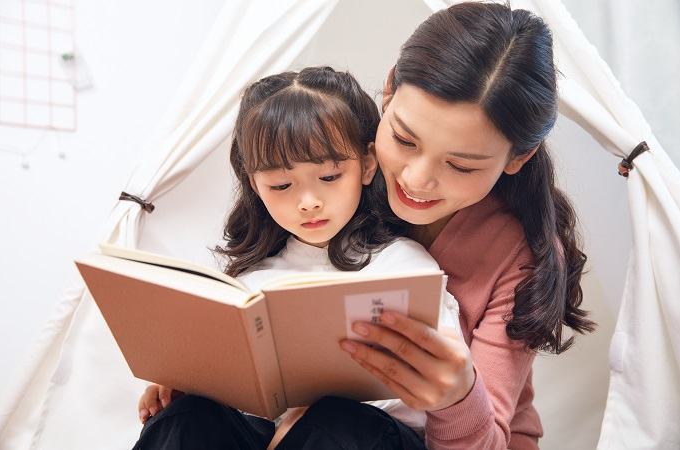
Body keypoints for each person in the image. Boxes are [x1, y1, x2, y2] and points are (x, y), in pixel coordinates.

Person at [133, 66, 460, 450]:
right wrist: (187, 384)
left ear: (367, 164)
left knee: (332, 423)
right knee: (188, 418)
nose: (308, 202)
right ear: (254, 184)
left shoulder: (404, 266)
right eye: (282, 185)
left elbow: (436, 397)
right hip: (271, 435)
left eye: (329, 177)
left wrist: (309, 413)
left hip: (368, 436)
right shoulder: (249, 283)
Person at [333, 2, 596, 449]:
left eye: (460, 165)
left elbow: (489, 436)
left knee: (340, 428)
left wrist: (457, 398)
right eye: (403, 139)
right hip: (311, 423)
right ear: (388, 91)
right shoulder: (335, 174)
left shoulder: (520, 255)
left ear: (518, 157)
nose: (416, 179)